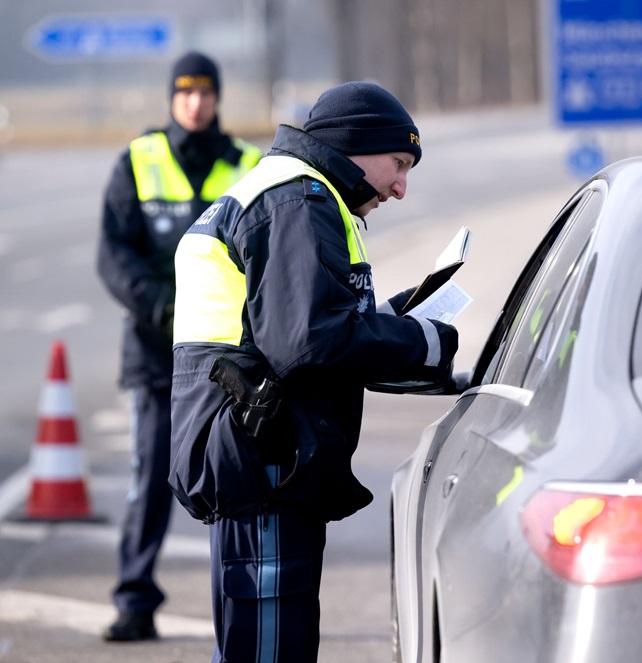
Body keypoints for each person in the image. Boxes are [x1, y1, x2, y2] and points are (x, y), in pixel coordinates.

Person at [168, 81, 458, 662]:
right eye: (398, 163)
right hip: (264, 461)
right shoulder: (298, 200)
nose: (401, 187)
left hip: (260, 455)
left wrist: (387, 322)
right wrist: (427, 342)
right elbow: (306, 342)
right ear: (355, 145)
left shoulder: (294, 195)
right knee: (271, 651)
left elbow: (298, 326)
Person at [96, 51, 262, 642]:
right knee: (151, 480)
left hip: (227, 361)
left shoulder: (247, 164)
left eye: (206, 92)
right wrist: (162, 309)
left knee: (233, 481)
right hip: (153, 356)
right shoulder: (139, 162)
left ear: (218, 97)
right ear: (172, 97)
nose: (196, 102)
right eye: (185, 92)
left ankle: (245, 601)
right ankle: (135, 599)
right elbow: (114, 256)